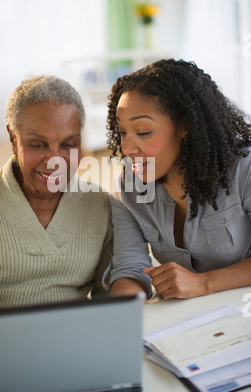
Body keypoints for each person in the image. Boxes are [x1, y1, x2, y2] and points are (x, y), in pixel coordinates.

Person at [0, 75, 112, 318]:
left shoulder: (99, 204)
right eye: (37, 145)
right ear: (13, 139)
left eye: (69, 144)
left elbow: (110, 296)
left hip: (75, 341)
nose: (55, 161)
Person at [103, 59, 251, 300]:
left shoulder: (244, 168)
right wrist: (121, 313)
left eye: (142, 132)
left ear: (185, 126)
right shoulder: (128, 184)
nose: (127, 148)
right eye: (122, 132)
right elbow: (129, 266)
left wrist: (203, 283)